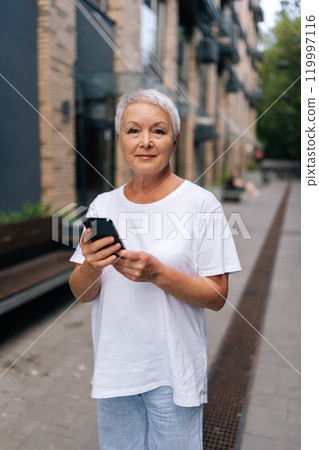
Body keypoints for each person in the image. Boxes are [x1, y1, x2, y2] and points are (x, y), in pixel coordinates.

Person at [69, 89, 241, 450]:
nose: (145, 141)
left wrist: (158, 274)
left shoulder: (200, 204)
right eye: (133, 131)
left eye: (158, 131)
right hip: (116, 371)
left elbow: (217, 296)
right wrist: (90, 264)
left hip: (174, 374)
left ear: (174, 139)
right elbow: (82, 293)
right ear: (119, 139)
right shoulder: (103, 204)